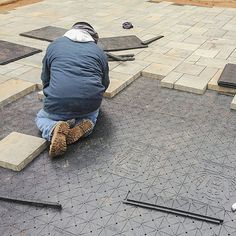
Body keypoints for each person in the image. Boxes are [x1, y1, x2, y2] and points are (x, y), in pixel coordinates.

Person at [35, 22, 109, 158]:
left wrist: (51, 96)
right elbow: (105, 83)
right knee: (92, 115)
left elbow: (46, 77)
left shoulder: (54, 45)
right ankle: (84, 126)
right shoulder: (99, 52)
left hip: (58, 100)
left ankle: (52, 129)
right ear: (92, 37)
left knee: (41, 118)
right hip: (89, 102)